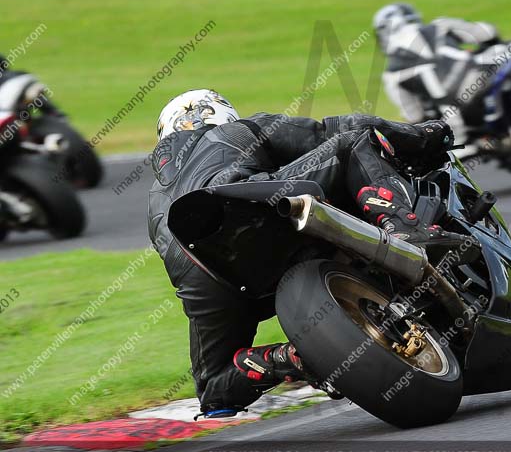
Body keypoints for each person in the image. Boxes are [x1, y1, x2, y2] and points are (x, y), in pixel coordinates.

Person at [147, 89, 454, 418]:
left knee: (212, 389)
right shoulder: (236, 130)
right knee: (351, 144)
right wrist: (421, 135)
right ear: (219, 114)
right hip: (252, 208)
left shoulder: (154, 199)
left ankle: (291, 358)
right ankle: (404, 229)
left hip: (203, 270)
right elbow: (334, 130)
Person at [373, 3, 511, 154]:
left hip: (456, 117)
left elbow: (413, 114)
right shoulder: (439, 25)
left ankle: (478, 143)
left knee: (434, 135)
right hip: (485, 77)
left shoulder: (391, 75)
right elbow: (486, 32)